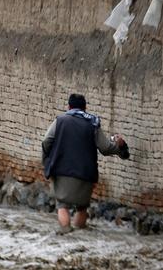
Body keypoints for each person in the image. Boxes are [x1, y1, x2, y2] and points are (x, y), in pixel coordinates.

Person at [42, 94, 130, 234]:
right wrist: (119, 146)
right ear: (85, 108)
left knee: (62, 205)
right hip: (86, 173)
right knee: (82, 207)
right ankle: (79, 236)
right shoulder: (93, 123)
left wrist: (47, 158)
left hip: (62, 171)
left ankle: (66, 234)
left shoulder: (61, 120)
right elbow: (105, 148)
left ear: (69, 107)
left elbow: (46, 141)